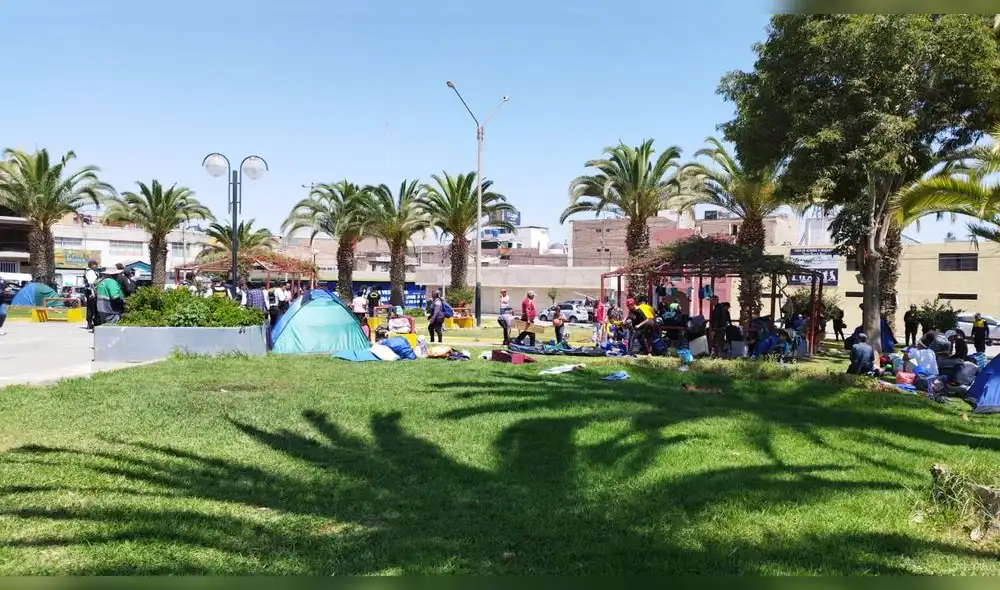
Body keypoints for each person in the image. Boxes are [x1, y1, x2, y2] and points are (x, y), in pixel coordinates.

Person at [84, 259, 100, 330]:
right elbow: (91, 283)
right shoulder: (90, 272)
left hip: (90, 291)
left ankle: (90, 323)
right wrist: (93, 293)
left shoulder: (91, 272)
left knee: (90, 307)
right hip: (91, 291)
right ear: (91, 265)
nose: (96, 266)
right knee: (93, 308)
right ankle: (91, 323)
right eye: (95, 264)